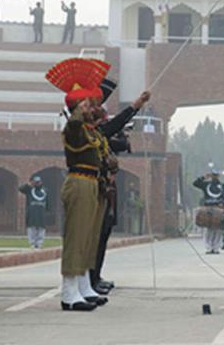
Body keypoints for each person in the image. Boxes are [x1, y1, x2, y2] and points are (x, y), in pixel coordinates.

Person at [46, 57, 110, 311]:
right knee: (76, 237)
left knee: (87, 238)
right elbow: (73, 123)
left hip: (92, 183)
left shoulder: (89, 128)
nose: (91, 106)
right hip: (79, 181)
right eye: (86, 102)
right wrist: (76, 108)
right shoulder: (74, 127)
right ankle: (68, 293)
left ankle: (83, 285)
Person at [90, 80, 151, 294]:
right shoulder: (84, 130)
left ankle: (95, 276)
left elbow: (117, 142)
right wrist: (136, 105)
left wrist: (123, 137)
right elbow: (113, 127)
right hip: (93, 189)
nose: (100, 112)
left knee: (103, 233)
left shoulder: (97, 132)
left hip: (104, 188)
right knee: (93, 237)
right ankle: (89, 279)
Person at [193, 170, 224, 254]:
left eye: (216, 175)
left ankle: (216, 248)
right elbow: (195, 183)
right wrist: (204, 177)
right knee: (208, 229)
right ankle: (209, 248)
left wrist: (222, 202)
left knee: (218, 229)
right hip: (208, 208)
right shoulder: (206, 184)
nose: (215, 176)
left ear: (219, 176)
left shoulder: (223, 186)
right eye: (213, 175)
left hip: (219, 208)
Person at [20, 176, 48, 249]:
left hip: (41, 213)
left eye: (38, 182)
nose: (37, 183)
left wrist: (47, 210)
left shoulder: (45, 190)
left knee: (41, 229)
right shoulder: (29, 190)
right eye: (35, 182)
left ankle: (39, 244)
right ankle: (32, 244)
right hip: (32, 214)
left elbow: (48, 202)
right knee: (31, 229)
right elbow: (20, 188)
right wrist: (29, 184)